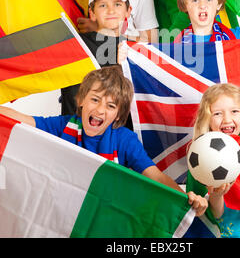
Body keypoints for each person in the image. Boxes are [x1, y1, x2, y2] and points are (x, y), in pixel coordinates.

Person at [0, 66, 208, 217]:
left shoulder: (124, 140)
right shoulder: (63, 125)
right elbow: (22, 120)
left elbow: (156, 178)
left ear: (118, 115)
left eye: (110, 106)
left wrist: (187, 201)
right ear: (81, 101)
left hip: (103, 215)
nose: (100, 110)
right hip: (62, 212)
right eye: (95, 99)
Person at [186, 83, 240, 238]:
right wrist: (217, 194)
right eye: (217, 113)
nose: (227, 119)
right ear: (207, 119)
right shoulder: (201, 156)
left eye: (234, 111)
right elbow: (215, 216)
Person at [60, 0, 132, 116]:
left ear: (128, 11)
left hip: (120, 132)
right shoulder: (75, 45)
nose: (111, 11)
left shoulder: (136, 50)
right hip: (74, 129)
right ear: (92, 13)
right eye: (103, 5)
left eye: (117, 4)